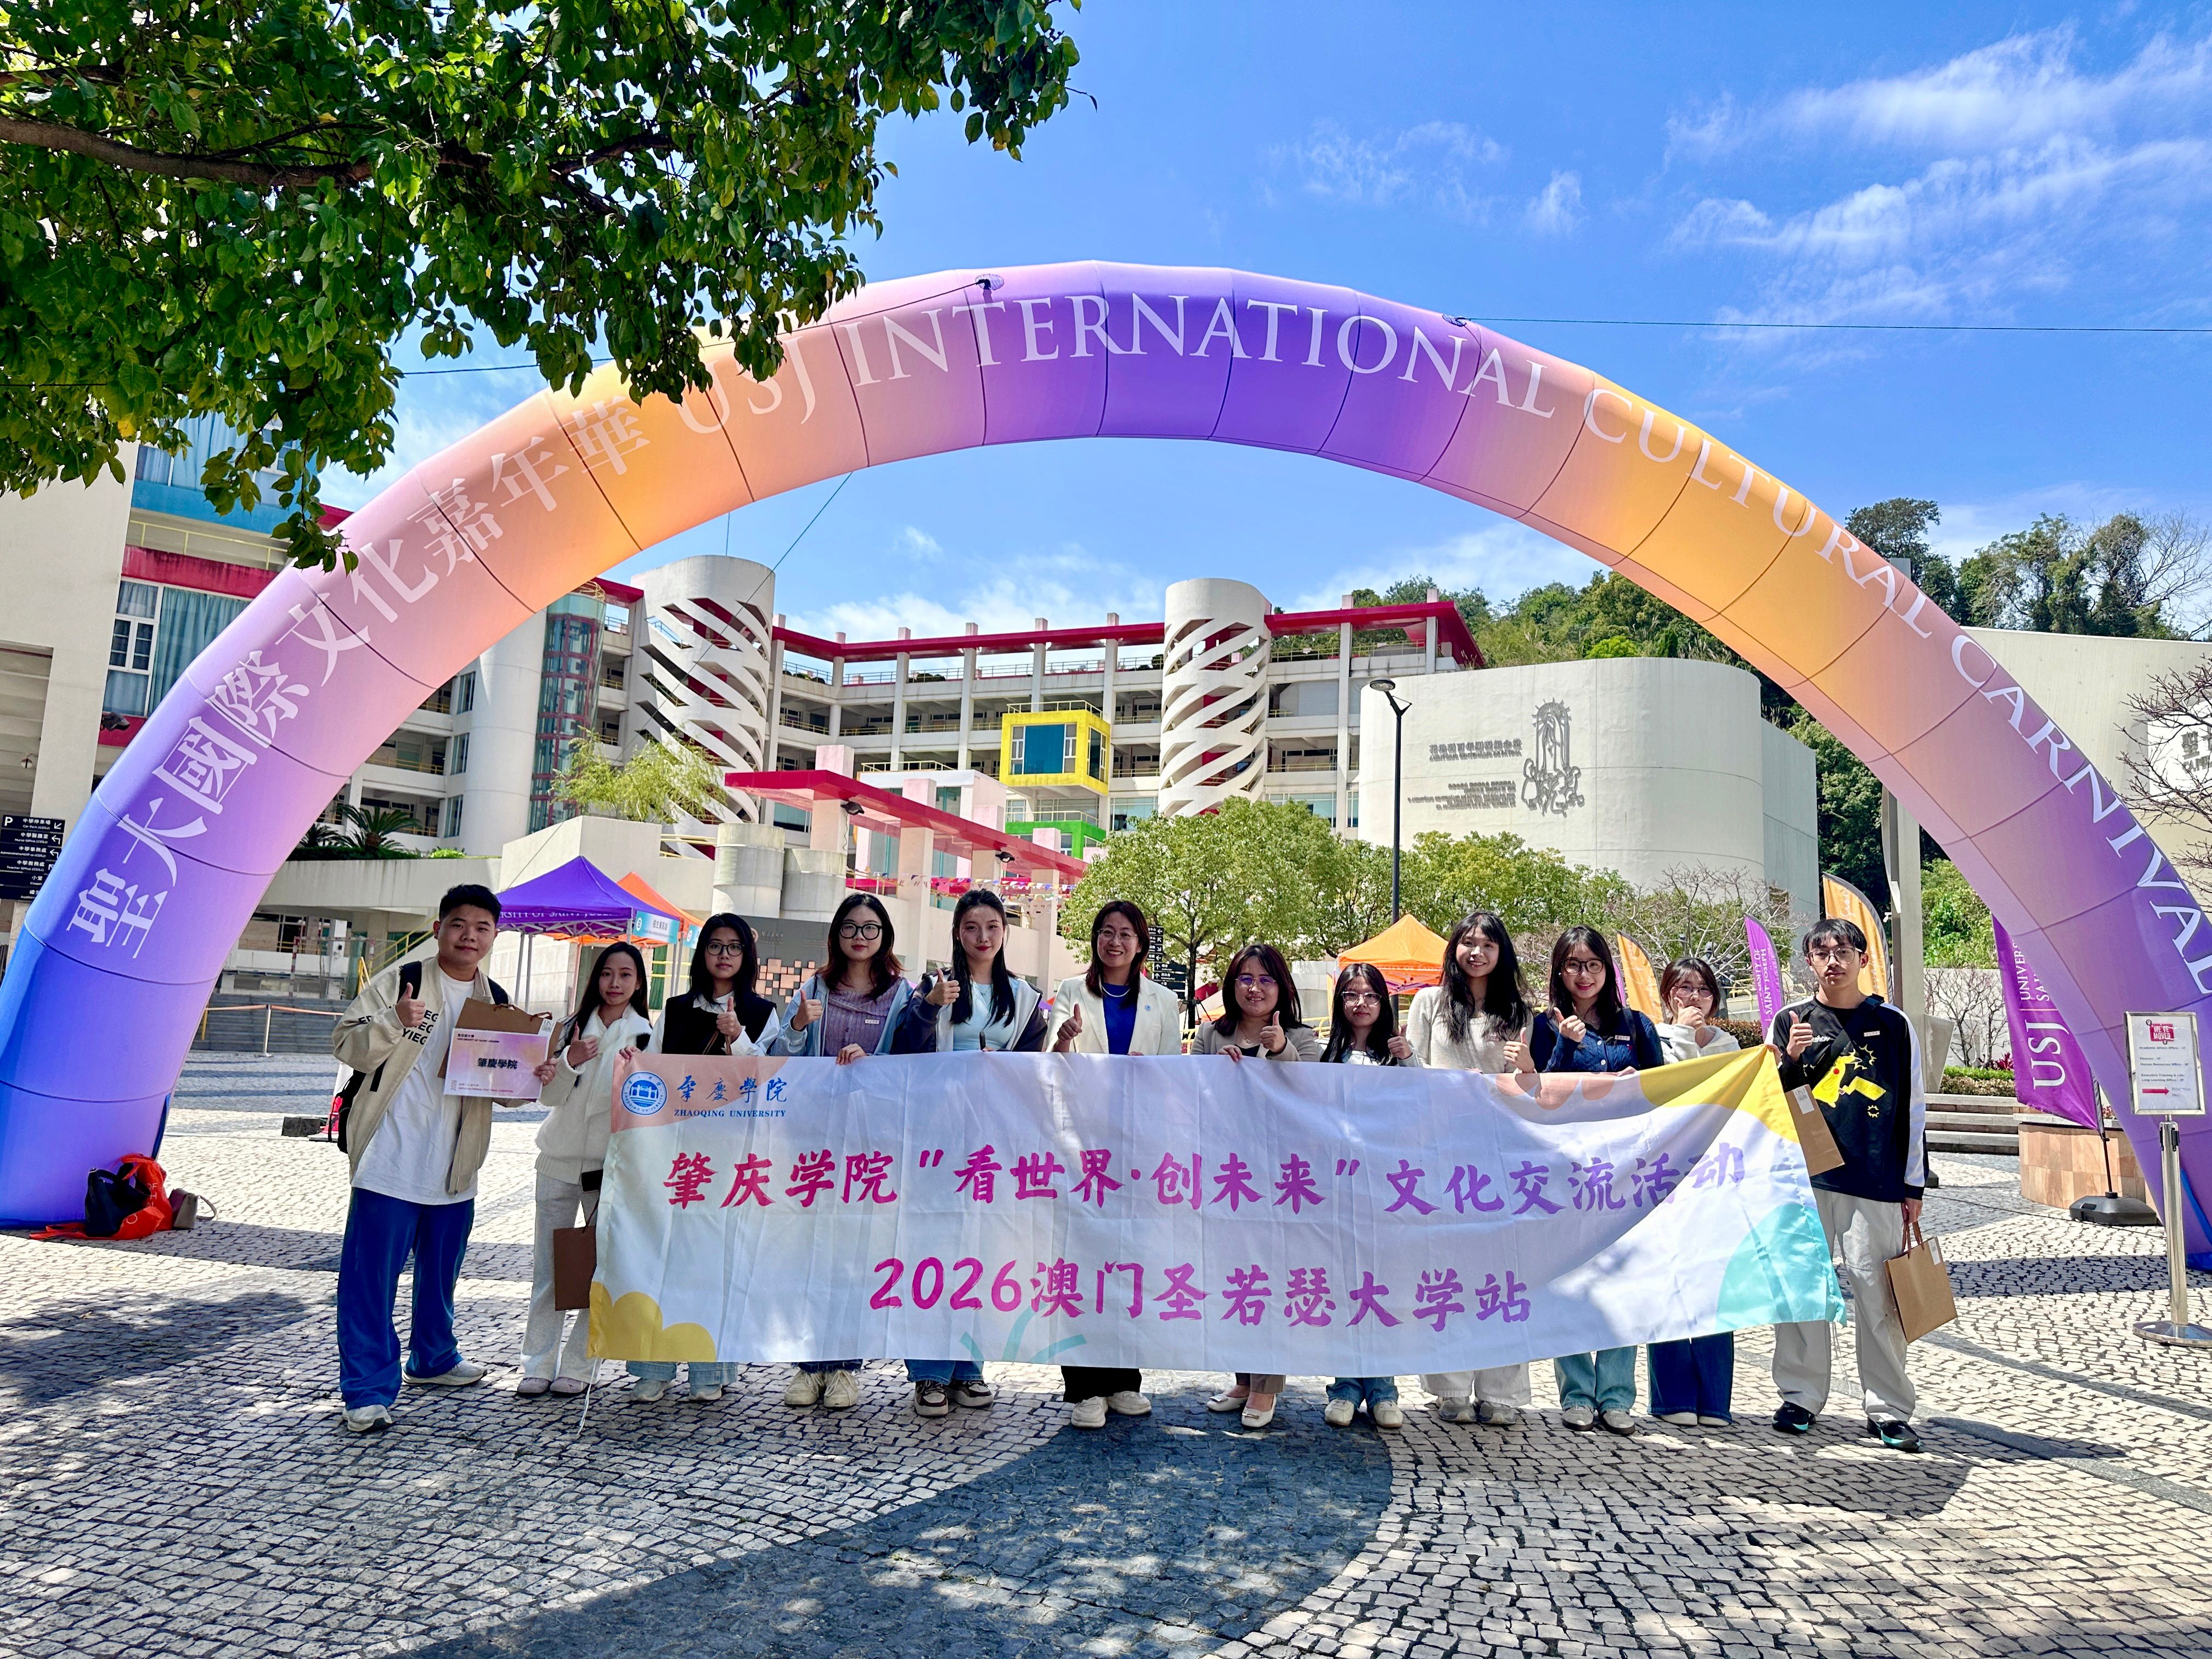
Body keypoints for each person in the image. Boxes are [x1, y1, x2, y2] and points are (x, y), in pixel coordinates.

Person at [329, 884, 520, 1434]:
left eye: (482, 928)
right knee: (371, 1280)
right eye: (458, 924)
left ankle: (433, 1358)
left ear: (494, 937)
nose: (469, 936)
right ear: (438, 929)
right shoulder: (403, 980)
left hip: (456, 1161)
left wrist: (536, 1072)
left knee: (440, 1275)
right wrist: (395, 1019)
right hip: (390, 1157)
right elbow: (344, 1043)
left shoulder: (497, 1000)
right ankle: (367, 1390)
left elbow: (506, 1091)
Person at [888, 887, 1049, 1416]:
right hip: (937, 1138)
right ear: (958, 932)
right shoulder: (933, 986)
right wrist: (929, 1007)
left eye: (993, 927)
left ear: (1005, 932)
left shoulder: (1023, 997)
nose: (983, 937)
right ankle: (928, 1373)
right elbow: (902, 1052)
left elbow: (1030, 1066)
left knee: (979, 1250)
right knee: (932, 1251)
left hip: (991, 1141)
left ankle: (969, 1367)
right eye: (973, 927)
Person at [1769, 918, 1927, 1453]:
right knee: (1801, 1289)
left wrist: (1913, 1186)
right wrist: (1792, 1060)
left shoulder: (1893, 1023)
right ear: (1809, 962)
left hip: (1875, 1180)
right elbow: (1774, 1103)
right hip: (1805, 1181)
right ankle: (1800, 1395)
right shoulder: (1789, 1020)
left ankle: (1888, 1408)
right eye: (1822, 952)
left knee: (1877, 1295)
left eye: (1843, 951)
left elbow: (1913, 1107)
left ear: (1863, 958)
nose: (1833, 961)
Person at [630, 913, 779, 1404]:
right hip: (677, 1149)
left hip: (730, 1154)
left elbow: (767, 1079)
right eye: (715, 945)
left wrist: (738, 1037)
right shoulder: (675, 1009)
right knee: (664, 1254)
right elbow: (652, 1070)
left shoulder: (763, 1012)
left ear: (747, 956)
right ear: (702, 953)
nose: (724, 955)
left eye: (734, 947)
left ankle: (709, 1371)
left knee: (716, 1260)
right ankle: (653, 1368)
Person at [774, 893, 913, 1411]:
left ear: (885, 936)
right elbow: (778, 1057)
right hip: (816, 1139)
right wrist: (797, 1026)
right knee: (813, 1252)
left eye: (871, 928)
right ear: (836, 934)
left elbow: (910, 1061)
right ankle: (810, 1366)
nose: (860, 936)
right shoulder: (813, 989)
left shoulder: (901, 994)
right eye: (851, 927)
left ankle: (846, 1369)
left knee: (856, 1255)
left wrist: (871, 1062)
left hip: (869, 1144)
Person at [1049, 899, 1180, 1430]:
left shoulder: (1164, 1001)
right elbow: (1052, 1065)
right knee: (1082, 1264)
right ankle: (1084, 1386)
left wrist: (1153, 1076)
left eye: (1126, 933)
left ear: (1140, 943)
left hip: (1137, 1147)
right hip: (1083, 1145)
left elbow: (1173, 1078)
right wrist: (1064, 1040)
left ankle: (1125, 1379)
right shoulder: (1070, 992)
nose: (1115, 942)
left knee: (1129, 1262)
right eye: (1107, 932)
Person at [1530, 926, 1662, 1436]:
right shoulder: (1545, 1025)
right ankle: (1576, 1394)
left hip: (1624, 1172)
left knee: (1621, 1283)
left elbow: (1662, 1092)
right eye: (1572, 964)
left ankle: (1617, 1397)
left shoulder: (1636, 1025)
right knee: (1569, 1281)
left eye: (1593, 964)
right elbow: (1540, 1094)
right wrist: (1566, 1048)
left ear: (1608, 970)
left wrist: (1637, 1085)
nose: (1583, 975)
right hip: (1566, 1172)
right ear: (1559, 971)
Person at [1404, 912, 1534, 1428]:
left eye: (1487, 945)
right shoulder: (1429, 1003)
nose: (1476, 953)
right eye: (1468, 943)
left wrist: (1524, 1065)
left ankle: (1503, 1390)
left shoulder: (1517, 1010)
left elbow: (1526, 1088)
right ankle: (1450, 1387)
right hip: (1441, 1152)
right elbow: (1409, 1074)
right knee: (1446, 1268)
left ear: (1502, 953)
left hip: (1498, 1155)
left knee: (1503, 1272)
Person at [517, 942, 653, 1398]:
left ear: (639, 983)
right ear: (595, 978)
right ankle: (537, 1363)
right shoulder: (570, 1027)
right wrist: (569, 1062)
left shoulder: (648, 1037)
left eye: (626, 975)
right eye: (607, 973)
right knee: (549, 1270)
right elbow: (549, 1098)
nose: (615, 983)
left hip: (609, 1170)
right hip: (557, 1162)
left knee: (598, 1272)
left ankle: (581, 1365)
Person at [1195, 940, 1315, 1428]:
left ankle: (1266, 1387)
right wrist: (1213, 1073)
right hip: (1227, 1178)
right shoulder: (1209, 1035)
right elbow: (1190, 1094)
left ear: (1281, 987)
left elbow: (1312, 1094)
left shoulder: (1302, 1037)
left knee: (1272, 1278)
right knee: (1236, 1279)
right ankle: (1243, 1378)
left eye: (1266, 979)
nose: (1255, 988)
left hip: (1280, 1178)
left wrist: (1281, 1050)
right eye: (1245, 978)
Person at [1318, 962, 1415, 1430]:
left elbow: (1424, 1105)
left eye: (1371, 995)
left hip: (1387, 1189)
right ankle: (1344, 1387)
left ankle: (1383, 1388)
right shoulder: (1326, 1057)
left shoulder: (1397, 1057)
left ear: (1384, 1002)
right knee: (1345, 1286)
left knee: (1382, 1287)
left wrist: (1410, 1060)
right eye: (1352, 995)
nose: (1361, 1003)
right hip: (1340, 1190)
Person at [1646, 955, 1740, 1427]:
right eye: (1684, 989)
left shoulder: (1729, 1046)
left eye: (1703, 990)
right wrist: (1683, 1036)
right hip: (1665, 1177)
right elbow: (1672, 1091)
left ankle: (1715, 1399)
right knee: (1667, 1279)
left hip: (1716, 1175)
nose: (1694, 998)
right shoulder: (1653, 1038)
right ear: (1668, 995)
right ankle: (1671, 1398)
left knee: (1714, 1284)